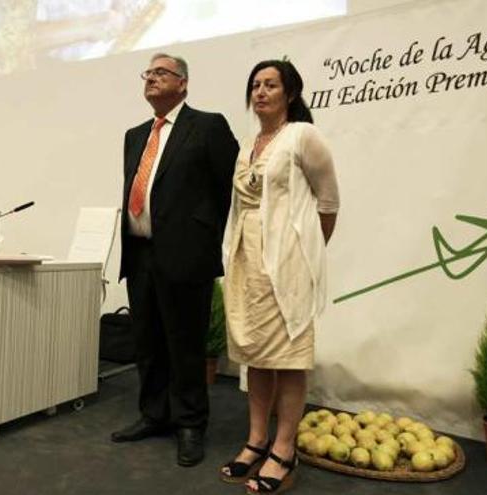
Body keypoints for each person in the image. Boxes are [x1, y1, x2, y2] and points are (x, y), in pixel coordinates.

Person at [111, 53, 239, 467]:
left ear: (183, 84)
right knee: (147, 340)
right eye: (147, 73)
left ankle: (190, 425)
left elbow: (227, 188)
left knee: (185, 343)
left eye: (160, 73)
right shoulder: (135, 135)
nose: (151, 78)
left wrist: (202, 236)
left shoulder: (208, 126)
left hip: (187, 254)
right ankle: (154, 414)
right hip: (141, 251)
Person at [219, 59, 339, 493]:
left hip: (287, 264)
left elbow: (328, 202)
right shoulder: (249, 141)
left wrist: (304, 255)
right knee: (256, 354)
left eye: (270, 84)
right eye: (255, 85)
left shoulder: (303, 136)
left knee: (288, 357)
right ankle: (256, 440)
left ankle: (284, 449)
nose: (260, 92)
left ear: (289, 93)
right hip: (247, 260)